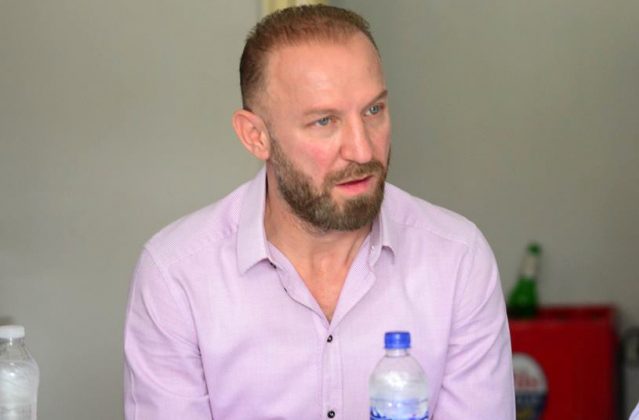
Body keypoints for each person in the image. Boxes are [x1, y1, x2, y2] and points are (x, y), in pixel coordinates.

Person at [124, 5, 515, 419]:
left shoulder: (457, 258)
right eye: (325, 121)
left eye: (374, 111)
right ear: (256, 136)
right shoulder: (177, 276)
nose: (362, 150)